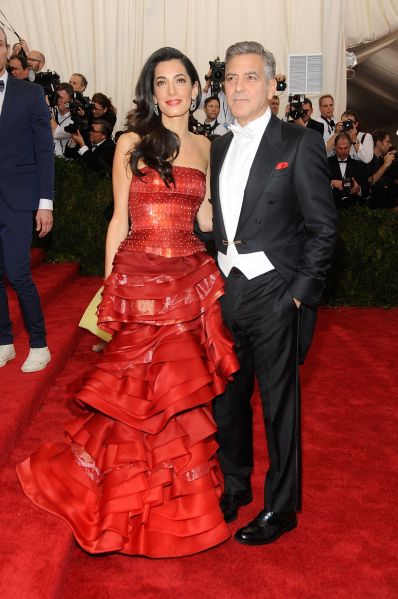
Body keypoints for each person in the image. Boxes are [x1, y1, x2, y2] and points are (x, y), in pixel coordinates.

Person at [17, 46, 238, 558]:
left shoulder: (208, 147)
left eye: (180, 80)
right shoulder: (132, 142)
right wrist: (109, 289)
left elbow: (205, 218)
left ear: (194, 86)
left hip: (186, 283)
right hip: (139, 283)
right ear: (151, 91)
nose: (173, 91)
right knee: (134, 401)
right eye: (161, 83)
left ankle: (175, 504)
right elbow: (119, 220)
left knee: (178, 399)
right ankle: (123, 497)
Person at [210, 41, 337, 545]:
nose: (238, 87)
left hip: (275, 292)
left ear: (269, 85)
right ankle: (235, 486)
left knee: (279, 405)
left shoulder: (299, 142)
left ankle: (281, 508)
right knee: (227, 399)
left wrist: (299, 295)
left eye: (249, 78)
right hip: (225, 290)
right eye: (231, 79)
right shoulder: (217, 144)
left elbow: (324, 228)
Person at [0, 26, 54, 372]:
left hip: (18, 198)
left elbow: (44, 151)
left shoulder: (30, 93)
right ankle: (4, 341)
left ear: (7, 49)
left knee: (18, 272)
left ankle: (39, 344)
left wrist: (45, 202)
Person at [328, 132, 369, 208]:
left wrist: (358, 189)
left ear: (350, 146)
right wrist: (331, 183)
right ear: (334, 147)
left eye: (346, 148)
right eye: (340, 148)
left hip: (353, 211)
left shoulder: (360, 166)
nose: (343, 151)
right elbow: (316, 185)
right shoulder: (326, 163)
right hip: (330, 208)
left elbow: (367, 190)